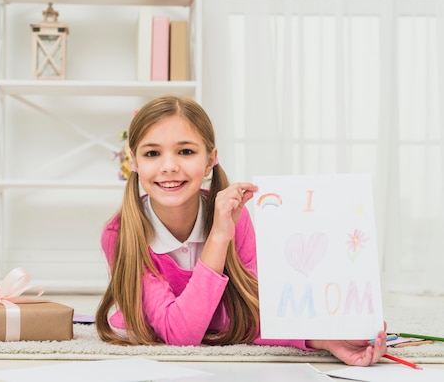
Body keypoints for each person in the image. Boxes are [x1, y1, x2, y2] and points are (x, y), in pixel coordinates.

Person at [95, 95, 388, 366]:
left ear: (210, 159)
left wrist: (325, 338)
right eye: (152, 153)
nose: (169, 166)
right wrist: (219, 237)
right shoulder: (121, 233)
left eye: (185, 151)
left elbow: (247, 314)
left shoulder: (235, 216)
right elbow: (181, 335)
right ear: (133, 161)